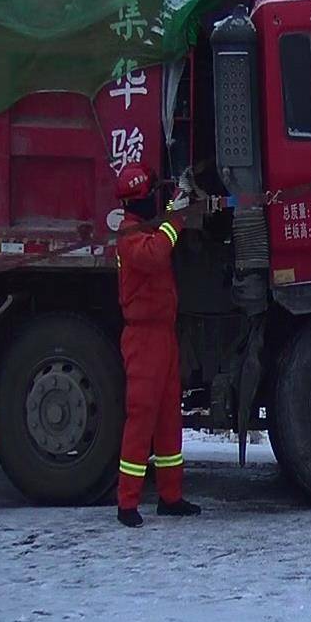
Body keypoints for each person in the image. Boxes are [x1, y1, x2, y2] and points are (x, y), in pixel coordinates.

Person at [113, 164, 201, 527]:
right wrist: (176, 218)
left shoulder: (144, 227)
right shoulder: (131, 235)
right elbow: (156, 253)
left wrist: (177, 205)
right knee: (142, 418)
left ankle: (171, 496)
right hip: (144, 338)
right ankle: (127, 503)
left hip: (163, 334)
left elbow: (161, 233)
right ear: (141, 197)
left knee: (168, 418)